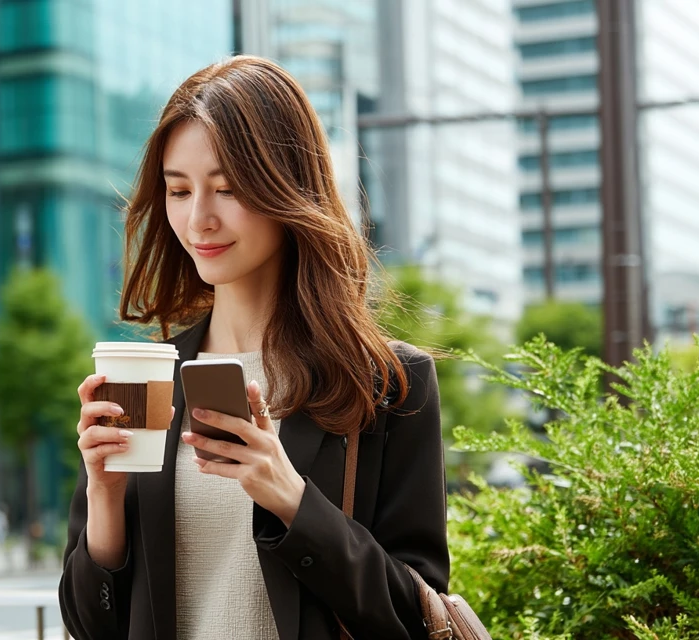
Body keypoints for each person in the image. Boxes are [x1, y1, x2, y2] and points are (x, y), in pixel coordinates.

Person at [59, 56, 447, 640]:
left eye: (227, 189)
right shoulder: (149, 379)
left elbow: (417, 617)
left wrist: (292, 500)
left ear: (287, 186)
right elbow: (90, 628)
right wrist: (104, 498)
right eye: (179, 190)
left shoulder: (389, 382)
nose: (199, 219)